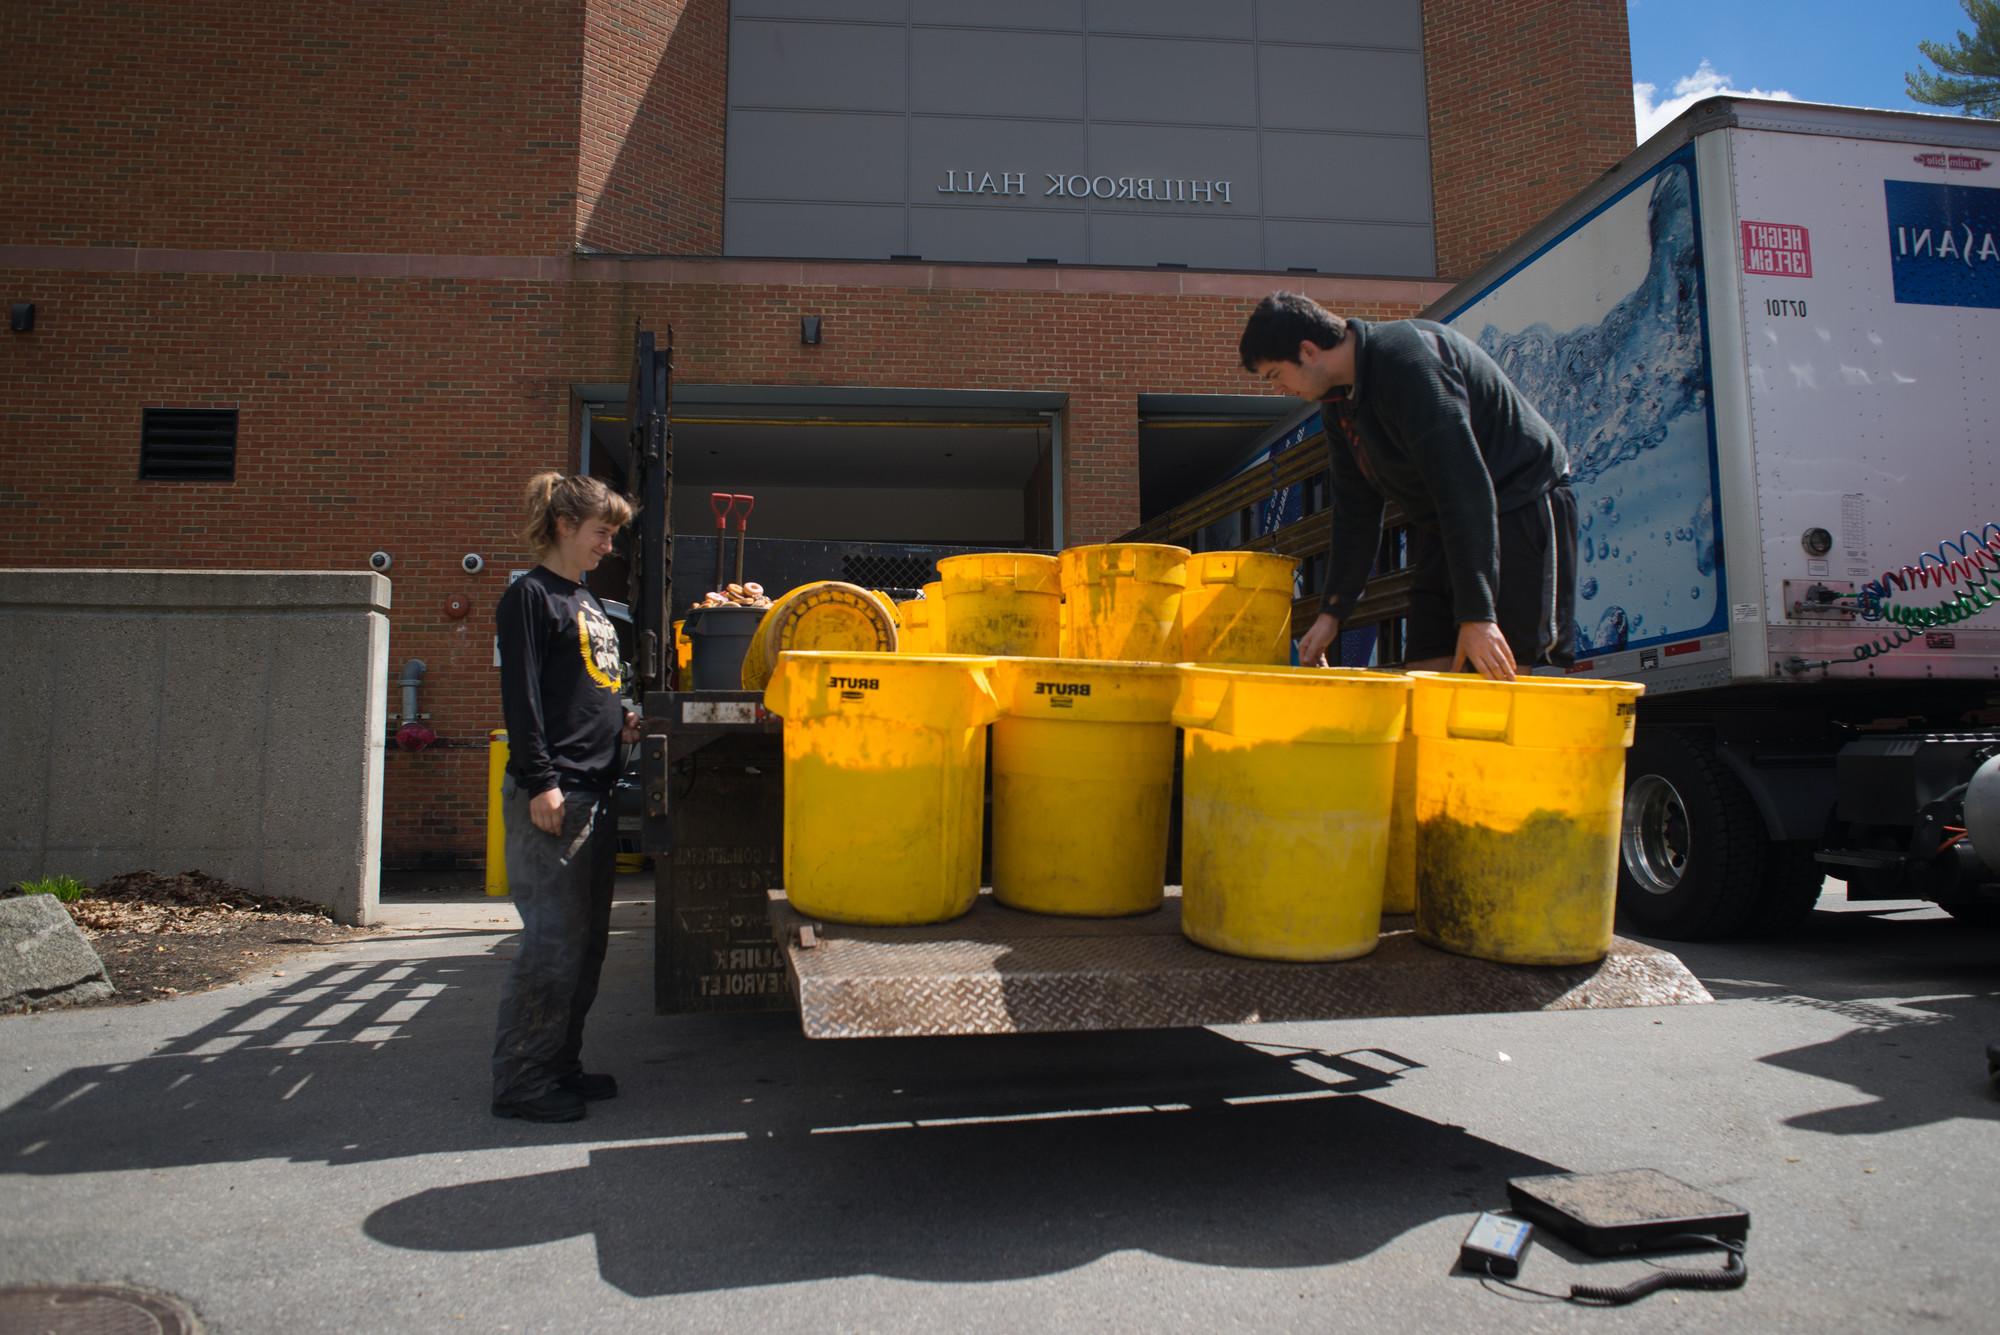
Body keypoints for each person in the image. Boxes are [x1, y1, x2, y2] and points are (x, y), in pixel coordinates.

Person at [1238, 292, 1577, 681]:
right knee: (1424, 671)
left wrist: (1479, 614)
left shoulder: (1407, 360)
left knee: (1497, 670)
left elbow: (1465, 485)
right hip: (1449, 523)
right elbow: (1355, 511)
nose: (1279, 389)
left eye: (1275, 375)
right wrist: (1333, 612)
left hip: (1520, 500)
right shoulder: (1338, 404)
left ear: (1308, 350)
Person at [490, 472, 641, 1123]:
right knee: (551, 945)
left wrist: (623, 720)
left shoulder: (587, 601)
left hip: (595, 792)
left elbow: (592, 689)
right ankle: (522, 1082)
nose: (609, 545)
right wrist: (541, 780)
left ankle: (560, 1064)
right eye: (602, 532)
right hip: (557, 795)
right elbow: (522, 701)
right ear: (562, 526)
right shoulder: (530, 596)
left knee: (585, 946)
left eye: (612, 534)